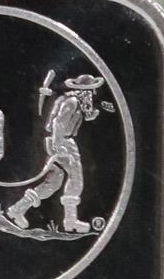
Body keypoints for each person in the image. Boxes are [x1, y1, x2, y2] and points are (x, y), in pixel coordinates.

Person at [6, 73, 104, 233]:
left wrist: (91, 114)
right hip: (62, 142)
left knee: (53, 182)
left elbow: (75, 118)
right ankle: (71, 221)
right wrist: (58, 145)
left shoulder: (76, 102)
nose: (93, 93)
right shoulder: (72, 102)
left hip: (58, 141)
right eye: (91, 90)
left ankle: (18, 209)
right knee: (76, 179)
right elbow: (59, 123)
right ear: (84, 90)